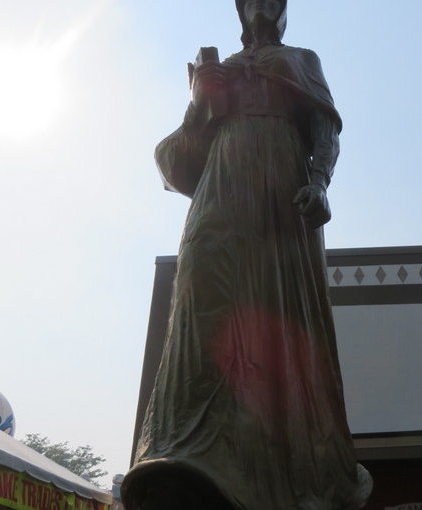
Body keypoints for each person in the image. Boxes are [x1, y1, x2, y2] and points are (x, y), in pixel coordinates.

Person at [122, 1, 372, 509]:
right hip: (221, 188)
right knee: (201, 296)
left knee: (278, 316)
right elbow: (177, 161)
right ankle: (186, 450)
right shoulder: (218, 68)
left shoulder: (302, 59)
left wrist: (320, 182)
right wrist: (200, 101)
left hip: (282, 192)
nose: (263, 5)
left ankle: (284, 473)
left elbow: (326, 128)